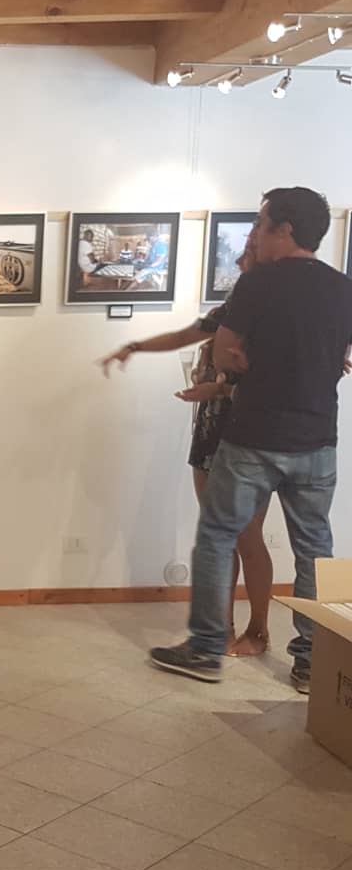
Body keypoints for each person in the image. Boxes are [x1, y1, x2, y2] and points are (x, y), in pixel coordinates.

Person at [151, 187, 352, 693]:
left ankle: (205, 648)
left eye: (262, 224)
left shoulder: (259, 283)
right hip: (317, 440)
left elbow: (224, 353)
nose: (256, 234)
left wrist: (242, 363)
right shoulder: (342, 287)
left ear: (285, 229)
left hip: (255, 438)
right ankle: (311, 662)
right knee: (315, 551)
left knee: (217, 536)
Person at [101, 246, 273, 656]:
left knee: (248, 536)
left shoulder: (273, 317)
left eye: (249, 254)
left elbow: (271, 382)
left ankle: (259, 631)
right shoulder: (227, 312)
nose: (238, 262)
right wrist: (137, 348)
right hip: (211, 432)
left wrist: (219, 388)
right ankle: (222, 628)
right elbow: (188, 341)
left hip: (252, 437)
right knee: (218, 536)